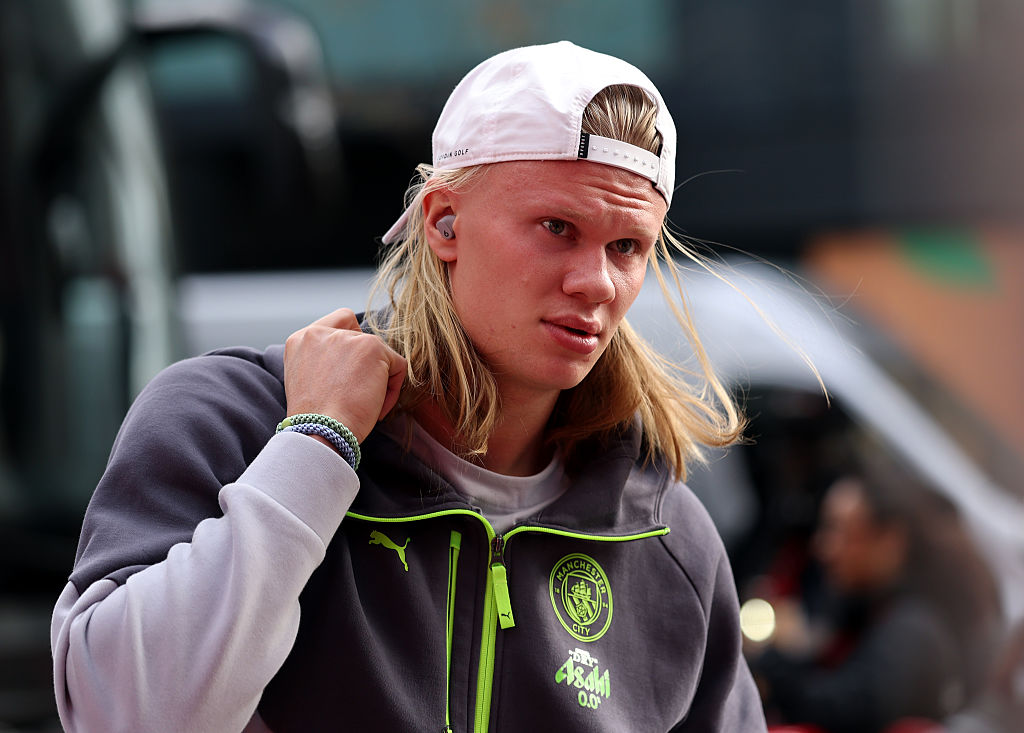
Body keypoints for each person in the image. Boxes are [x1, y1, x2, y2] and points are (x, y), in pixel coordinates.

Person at [50, 41, 767, 732]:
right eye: (557, 227)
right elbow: (125, 713)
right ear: (443, 220)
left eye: (627, 247)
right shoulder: (230, 421)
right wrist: (314, 447)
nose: (596, 282)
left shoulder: (666, 531)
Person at [751, 453, 1003, 733]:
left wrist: (772, 669)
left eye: (839, 531)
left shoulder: (914, 629)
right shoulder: (865, 606)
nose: (823, 546)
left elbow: (849, 711)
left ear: (889, 541)